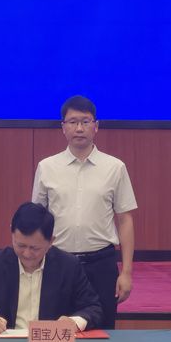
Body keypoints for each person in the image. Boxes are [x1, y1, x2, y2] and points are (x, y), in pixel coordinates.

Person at [32, 95, 137, 329]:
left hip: (101, 263)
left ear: (96, 126)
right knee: (55, 331)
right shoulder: (47, 167)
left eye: (85, 121)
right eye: (72, 122)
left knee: (102, 331)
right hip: (57, 262)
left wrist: (127, 273)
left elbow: (125, 220)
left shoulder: (115, 167)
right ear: (63, 127)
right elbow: (37, 219)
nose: (79, 128)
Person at [0, 202, 102, 334]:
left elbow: (93, 308)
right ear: (12, 234)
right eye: (20, 245)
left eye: (34, 248)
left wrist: (74, 322)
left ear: (51, 242)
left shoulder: (68, 266)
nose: (26, 254)